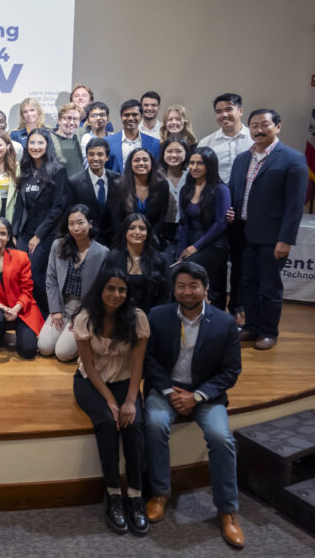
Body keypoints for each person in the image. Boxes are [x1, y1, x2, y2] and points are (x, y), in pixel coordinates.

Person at [144, 261, 244, 548]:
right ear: (174, 289)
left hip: (206, 394)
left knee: (221, 438)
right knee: (154, 424)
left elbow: (230, 372)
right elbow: (148, 360)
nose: (187, 292)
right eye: (181, 286)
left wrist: (196, 396)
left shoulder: (225, 323)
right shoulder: (158, 316)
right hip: (166, 389)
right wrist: (169, 391)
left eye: (194, 286)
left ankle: (228, 510)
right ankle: (160, 492)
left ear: (206, 288)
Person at [71, 268, 149, 536]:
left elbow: (137, 364)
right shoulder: (85, 318)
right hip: (91, 381)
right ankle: (113, 492)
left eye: (122, 290)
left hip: (125, 379)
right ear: (100, 290)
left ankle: (136, 495)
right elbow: (89, 367)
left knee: (134, 424)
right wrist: (111, 402)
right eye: (111, 288)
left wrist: (130, 401)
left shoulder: (137, 318)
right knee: (106, 421)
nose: (116, 294)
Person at [230, 109, 307, 350]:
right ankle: (251, 326)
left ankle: (269, 332)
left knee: (269, 287)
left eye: (265, 124)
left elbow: (295, 205)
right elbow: (234, 193)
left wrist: (286, 239)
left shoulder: (293, 159)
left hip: (272, 237)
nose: (259, 130)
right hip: (243, 234)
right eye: (254, 125)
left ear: (278, 127)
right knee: (247, 284)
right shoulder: (242, 159)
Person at [199, 93, 254, 322]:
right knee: (217, 264)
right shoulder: (207, 143)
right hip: (216, 215)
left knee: (242, 263)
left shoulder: (253, 140)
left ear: (240, 111)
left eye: (229, 109)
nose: (224, 115)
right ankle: (217, 309)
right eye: (219, 111)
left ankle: (238, 306)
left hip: (246, 214)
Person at [38, 206, 110, 361]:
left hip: (85, 309)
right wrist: (55, 310)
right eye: (71, 224)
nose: (76, 228)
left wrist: (83, 315)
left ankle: (89, 335)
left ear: (90, 224)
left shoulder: (102, 252)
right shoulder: (58, 245)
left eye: (80, 223)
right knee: (44, 348)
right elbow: (51, 280)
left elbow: (100, 291)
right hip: (61, 304)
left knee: (62, 353)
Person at [11, 129, 68, 316]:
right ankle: (28, 316)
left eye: (40, 143)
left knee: (35, 276)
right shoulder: (26, 169)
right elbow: (19, 204)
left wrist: (38, 235)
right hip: (24, 232)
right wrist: (14, 232)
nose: (35, 147)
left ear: (47, 145)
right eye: (32, 143)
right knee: (19, 275)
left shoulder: (58, 170)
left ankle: (50, 315)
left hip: (46, 233)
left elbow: (58, 207)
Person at [0, 218, 43, 359]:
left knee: (28, 351)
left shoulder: (21, 257)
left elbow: (27, 290)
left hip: (22, 308)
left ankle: (21, 330)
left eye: (3, 234)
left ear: (8, 237)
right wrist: (5, 309)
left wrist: (15, 309)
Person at [177, 148, 231, 308]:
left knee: (186, 271)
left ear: (209, 165)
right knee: (178, 267)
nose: (194, 167)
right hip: (192, 240)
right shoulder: (186, 189)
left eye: (200, 163)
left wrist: (195, 247)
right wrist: (181, 252)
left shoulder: (220, 189)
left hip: (214, 243)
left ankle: (215, 317)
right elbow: (184, 223)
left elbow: (221, 223)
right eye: (192, 163)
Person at [104, 213, 169, 313]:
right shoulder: (113, 257)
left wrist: (153, 317)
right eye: (132, 228)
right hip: (119, 314)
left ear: (148, 233)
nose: (137, 232)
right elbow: (106, 289)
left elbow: (165, 295)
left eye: (142, 228)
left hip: (152, 316)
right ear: (125, 231)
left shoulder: (160, 259)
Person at [108, 147, 170, 245]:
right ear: (130, 164)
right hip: (125, 240)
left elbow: (161, 216)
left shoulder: (162, 185)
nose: (141, 163)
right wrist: (128, 238)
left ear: (151, 163)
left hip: (152, 240)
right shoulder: (118, 185)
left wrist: (150, 237)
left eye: (145, 160)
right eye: (136, 160)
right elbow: (116, 217)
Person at [66, 137, 121, 244]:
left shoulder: (118, 179)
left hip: (113, 241)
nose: (95, 158)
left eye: (100, 154)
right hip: (85, 240)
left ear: (107, 157)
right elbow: (70, 214)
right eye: (91, 154)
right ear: (87, 156)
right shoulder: (74, 182)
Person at [105, 99, 161, 174]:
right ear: (121, 117)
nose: (131, 118)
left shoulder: (154, 143)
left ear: (141, 116)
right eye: (126, 115)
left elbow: (156, 170)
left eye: (134, 114)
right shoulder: (107, 142)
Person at [159, 135, 191, 252]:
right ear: (163, 153)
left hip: (188, 228)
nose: (173, 155)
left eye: (178, 151)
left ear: (186, 153)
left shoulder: (192, 174)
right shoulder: (156, 175)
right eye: (169, 151)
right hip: (163, 230)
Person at [52, 102, 85, 177]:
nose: (72, 122)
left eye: (75, 119)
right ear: (59, 120)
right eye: (68, 118)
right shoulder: (48, 139)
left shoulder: (80, 137)